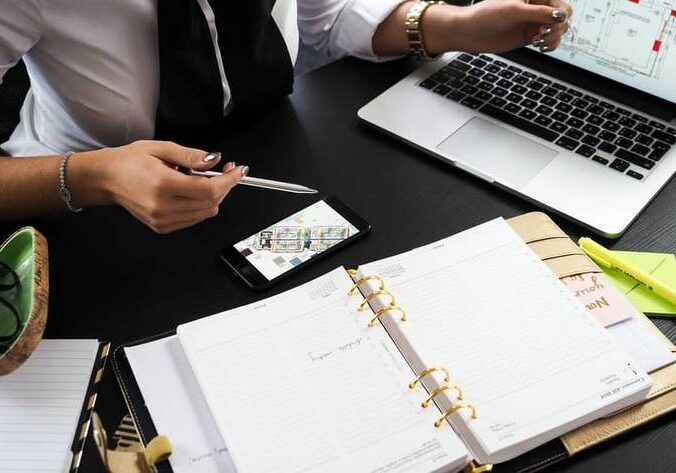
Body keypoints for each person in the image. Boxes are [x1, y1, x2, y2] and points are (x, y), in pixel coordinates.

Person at [0, 0, 571, 234]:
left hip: (269, 161)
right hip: (85, 216)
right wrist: (93, 176)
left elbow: (330, 16)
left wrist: (457, 26)